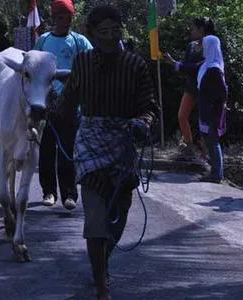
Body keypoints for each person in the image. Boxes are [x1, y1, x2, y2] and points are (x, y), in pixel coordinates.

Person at [54, 5, 158, 299]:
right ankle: (102, 287)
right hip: (90, 146)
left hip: (122, 146)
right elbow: (67, 99)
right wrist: (50, 113)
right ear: (91, 34)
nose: (111, 38)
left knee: (120, 213)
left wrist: (142, 122)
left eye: (115, 31)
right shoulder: (82, 62)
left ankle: (102, 260)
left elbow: (149, 105)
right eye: (104, 32)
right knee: (95, 219)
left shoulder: (135, 65)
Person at [34, 0, 93, 210]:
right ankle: (48, 192)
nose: (65, 22)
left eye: (68, 18)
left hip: (72, 107)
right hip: (48, 105)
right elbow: (34, 69)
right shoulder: (43, 41)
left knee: (68, 151)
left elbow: (93, 66)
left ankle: (70, 195)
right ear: (53, 18)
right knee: (47, 151)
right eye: (61, 18)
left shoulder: (80, 42)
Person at [164, 35, 227, 183]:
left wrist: (215, 104)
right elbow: (190, 68)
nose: (202, 48)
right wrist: (173, 63)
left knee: (212, 141)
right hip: (206, 110)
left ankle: (217, 174)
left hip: (212, 111)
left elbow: (222, 92)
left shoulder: (215, 69)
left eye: (205, 46)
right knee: (208, 139)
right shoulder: (206, 64)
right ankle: (215, 171)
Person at [173, 17, 217, 161]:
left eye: (194, 28)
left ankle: (205, 152)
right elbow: (187, 64)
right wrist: (177, 65)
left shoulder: (210, 46)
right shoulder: (191, 45)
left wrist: (176, 64)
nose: (191, 31)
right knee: (182, 115)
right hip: (191, 86)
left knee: (204, 120)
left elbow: (199, 67)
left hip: (205, 88)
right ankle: (189, 145)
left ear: (201, 30)